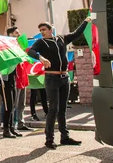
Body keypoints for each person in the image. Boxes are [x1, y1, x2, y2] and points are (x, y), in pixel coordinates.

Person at [27, 18, 91, 149]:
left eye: (44, 29)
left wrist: (85, 21)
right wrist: (41, 57)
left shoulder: (61, 39)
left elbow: (76, 34)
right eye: (40, 30)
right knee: (53, 109)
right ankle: (49, 139)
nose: (42, 32)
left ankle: (65, 137)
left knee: (62, 109)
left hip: (64, 78)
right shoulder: (41, 42)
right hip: (51, 78)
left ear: (51, 30)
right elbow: (30, 51)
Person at [8, 26, 31, 132]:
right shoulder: (8, 47)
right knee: (14, 104)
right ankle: (11, 125)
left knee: (22, 103)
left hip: (22, 77)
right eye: (17, 33)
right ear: (11, 35)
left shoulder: (20, 46)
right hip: (14, 79)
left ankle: (21, 123)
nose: (19, 34)